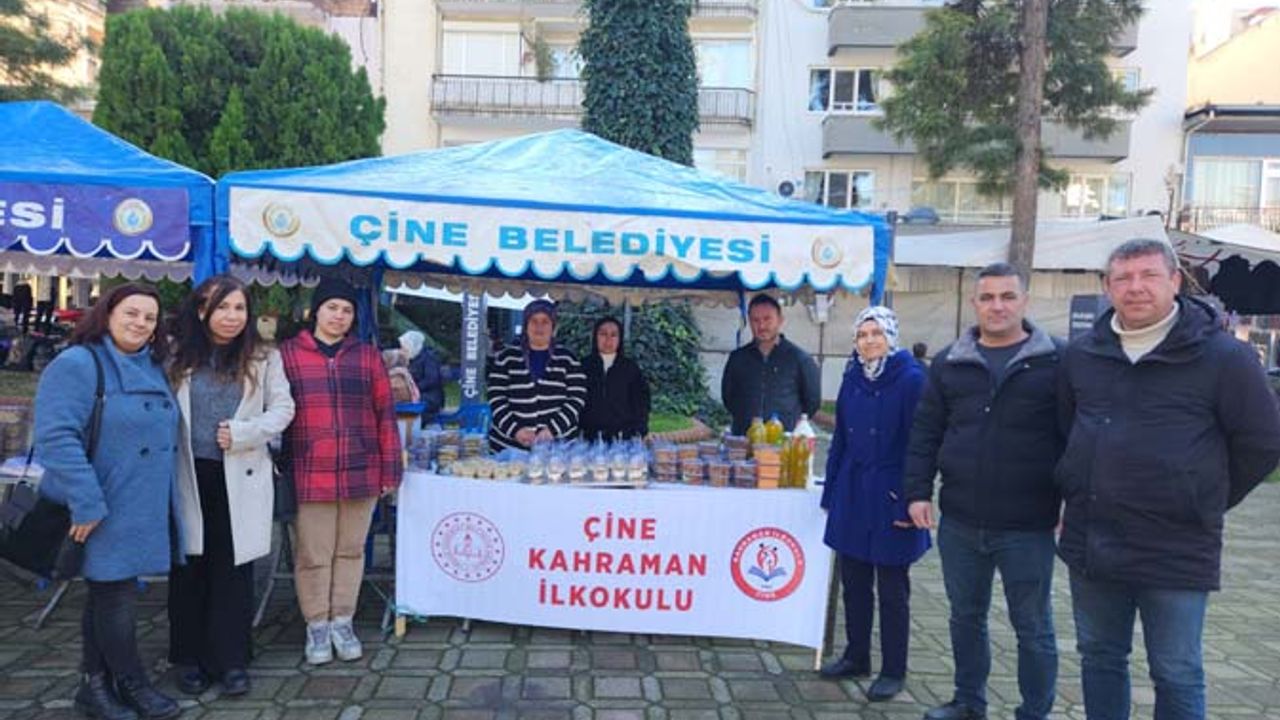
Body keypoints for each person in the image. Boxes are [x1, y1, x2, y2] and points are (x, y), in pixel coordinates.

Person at [1057, 239, 1280, 720]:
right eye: (1123, 278)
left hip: (1177, 546)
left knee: (1176, 671)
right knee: (1099, 657)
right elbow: (1067, 430)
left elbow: (1263, 444)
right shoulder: (1082, 355)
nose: (1135, 287)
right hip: (1093, 542)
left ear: (1175, 281)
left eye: (1149, 275)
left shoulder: (1224, 358)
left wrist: (1202, 496)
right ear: (1107, 287)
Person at [904, 262, 1064, 720]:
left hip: (1028, 524)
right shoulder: (949, 362)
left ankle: (1035, 711)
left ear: (1024, 301)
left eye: (1008, 296)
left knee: (1032, 626)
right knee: (965, 617)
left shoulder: (1057, 361)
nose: (998, 306)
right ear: (974, 303)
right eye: (988, 297)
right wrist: (917, 492)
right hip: (960, 519)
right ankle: (968, 702)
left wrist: (1072, 499)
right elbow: (926, 432)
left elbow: (1076, 436)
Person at [33, 283, 181, 720]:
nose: (140, 323)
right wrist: (86, 501)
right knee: (115, 598)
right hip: (101, 506)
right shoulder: (78, 364)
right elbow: (56, 438)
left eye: (150, 318)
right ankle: (132, 683)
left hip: (141, 504)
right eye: (131, 313)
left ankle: (95, 687)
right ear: (107, 313)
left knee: (107, 596)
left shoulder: (153, 366)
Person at [166, 275, 295, 697]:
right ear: (201, 310)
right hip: (188, 474)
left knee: (234, 569)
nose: (232, 316)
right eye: (222, 307)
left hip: (239, 474)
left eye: (239, 308)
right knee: (190, 568)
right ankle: (188, 658)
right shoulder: (176, 355)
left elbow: (283, 408)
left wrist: (246, 433)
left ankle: (232, 659)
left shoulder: (263, 357)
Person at [279, 277, 402, 666]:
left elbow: (385, 415)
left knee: (350, 551)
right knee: (313, 554)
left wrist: (391, 469)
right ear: (316, 311)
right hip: (309, 470)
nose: (339, 316)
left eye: (347, 310)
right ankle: (317, 625)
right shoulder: (287, 356)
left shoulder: (367, 357)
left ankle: (342, 622)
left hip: (360, 471)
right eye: (332, 307)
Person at [820, 306, 931, 703]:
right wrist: (832, 491)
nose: (868, 341)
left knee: (892, 588)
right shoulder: (853, 376)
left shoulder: (912, 379)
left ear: (891, 336)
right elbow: (841, 440)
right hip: (853, 490)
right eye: (862, 335)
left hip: (892, 492)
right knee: (854, 581)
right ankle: (856, 656)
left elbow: (920, 445)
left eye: (876, 333)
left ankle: (893, 669)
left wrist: (911, 500)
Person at [487, 299, 588, 451]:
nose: (539, 327)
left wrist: (552, 430)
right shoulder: (506, 358)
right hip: (508, 447)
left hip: (558, 450)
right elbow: (496, 398)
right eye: (534, 321)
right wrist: (515, 430)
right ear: (526, 325)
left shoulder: (568, 359)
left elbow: (577, 398)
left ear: (553, 326)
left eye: (545, 322)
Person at [720, 294, 821, 435]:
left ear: (780, 320)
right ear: (749, 321)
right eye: (755, 320)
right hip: (744, 438)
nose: (761, 326)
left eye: (767, 319)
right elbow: (729, 398)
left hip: (784, 440)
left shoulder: (800, 359)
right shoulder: (737, 358)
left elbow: (812, 402)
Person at [401, 330, 445, 425]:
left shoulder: (429, 358)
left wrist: (413, 389)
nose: (402, 350)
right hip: (416, 395)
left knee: (411, 410)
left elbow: (432, 380)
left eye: (404, 347)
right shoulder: (411, 358)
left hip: (429, 397)